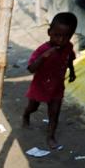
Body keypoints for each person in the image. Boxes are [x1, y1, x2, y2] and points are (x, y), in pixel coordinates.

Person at [23, 12, 78, 150]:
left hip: (57, 86)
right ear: (49, 32)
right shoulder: (42, 49)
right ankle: (26, 115)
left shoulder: (68, 47)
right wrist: (43, 57)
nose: (60, 40)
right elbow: (30, 68)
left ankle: (50, 137)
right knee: (33, 107)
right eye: (57, 35)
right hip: (40, 86)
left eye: (66, 37)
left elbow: (69, 59)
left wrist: (72, 71)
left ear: (71, 36)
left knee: (54, 114)